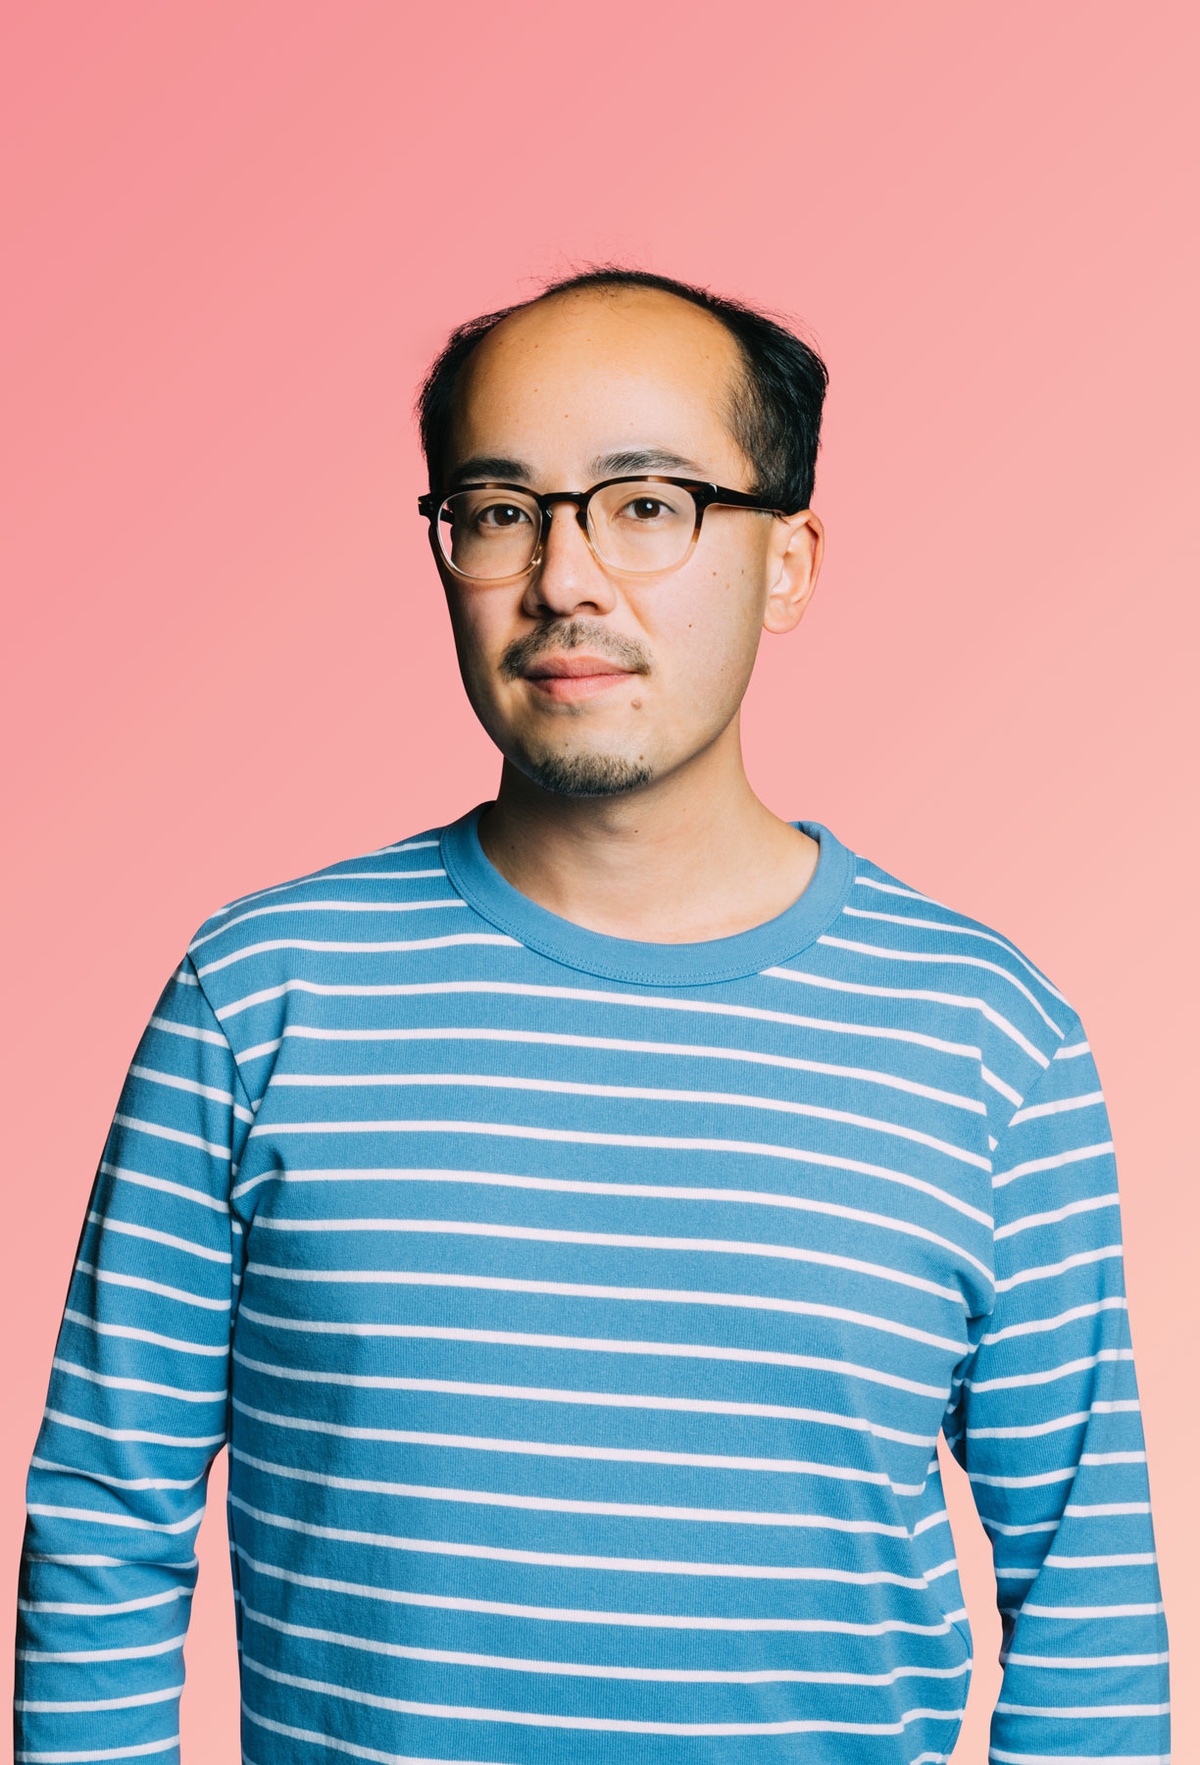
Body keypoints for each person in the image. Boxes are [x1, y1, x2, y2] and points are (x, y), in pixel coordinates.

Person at [14, 267, 1169, 1765]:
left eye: (646, 503)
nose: (565, 577)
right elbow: (109, 1510)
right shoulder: (261, 991)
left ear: (789, 563)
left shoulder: (988, 1034)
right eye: (501, 509)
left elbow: (1083, 1582)